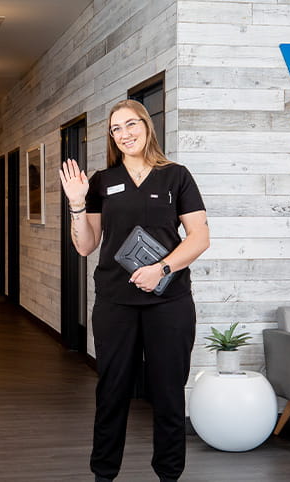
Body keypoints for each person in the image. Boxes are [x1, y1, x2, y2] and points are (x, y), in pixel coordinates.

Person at [59, 100, 209, 482]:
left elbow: (200, 237)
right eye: (115, 129)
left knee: (169, 392)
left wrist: (161, 269)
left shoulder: (177, 176)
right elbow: (85, 245)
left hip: (169, 301)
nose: (124, 134)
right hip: (115, 302)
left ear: (147, 125)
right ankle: (104, 474)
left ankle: (169, 475)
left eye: (130, 125)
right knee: (112, 392)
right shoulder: (102, 182)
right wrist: (77, 205)